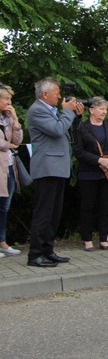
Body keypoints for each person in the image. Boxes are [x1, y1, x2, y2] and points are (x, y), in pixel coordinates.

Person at [26, 77, 84, 268]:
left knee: (54, 212)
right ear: (45, 94)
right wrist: (67, 112)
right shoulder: (37, 111)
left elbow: (67, 131)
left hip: (58, 167)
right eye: (57, 93)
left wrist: (75, 116)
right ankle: (35, 254)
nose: (60, 97)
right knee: (43, 213)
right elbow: (57, 130)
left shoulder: (52, 111)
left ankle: (47, 250)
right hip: (47, 168)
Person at [73, 97, 108, 251]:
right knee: (88, 207)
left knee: (106, 206)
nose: (104, 112)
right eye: (100, 109)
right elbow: (78, 151)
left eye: (105, 109)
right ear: (91, 110)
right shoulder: (82, 127)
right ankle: (87, 239)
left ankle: (104, 238)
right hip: (89, 172)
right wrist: (98, 160)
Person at [0, 83, 23, 257]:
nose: (9, 102)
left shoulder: (6, 118)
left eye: (10, 99)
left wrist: (15, 120)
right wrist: (9, 145)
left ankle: (2, 242)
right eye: (6, 98)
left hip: (8, 167)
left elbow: (18, 139)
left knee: (4, 207)